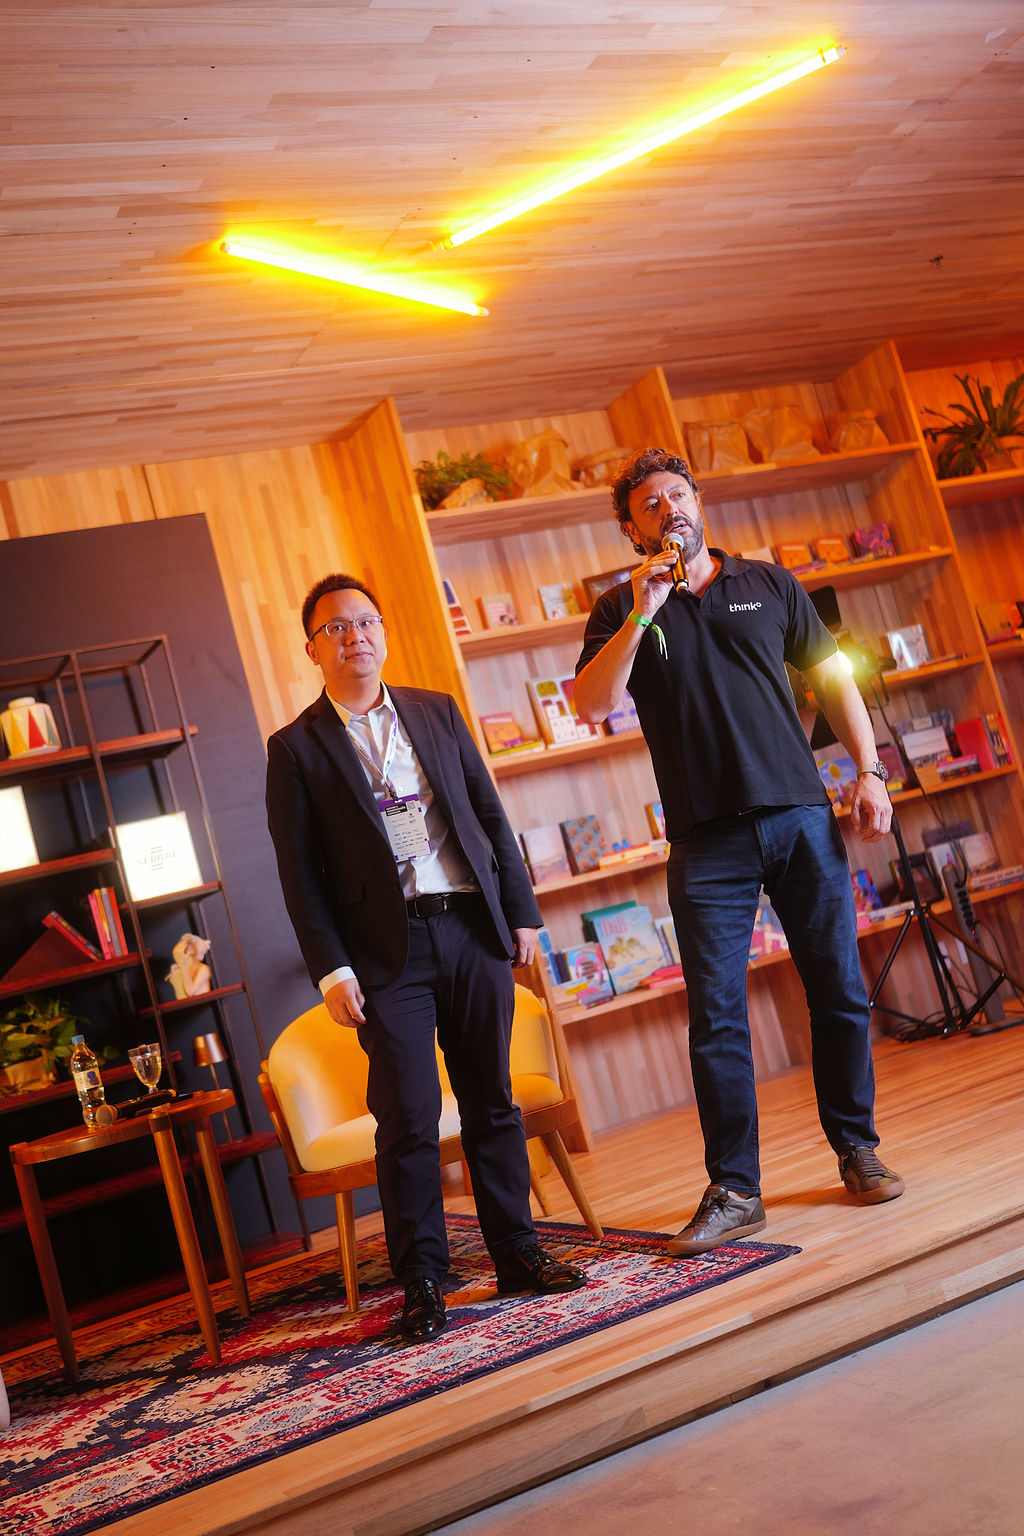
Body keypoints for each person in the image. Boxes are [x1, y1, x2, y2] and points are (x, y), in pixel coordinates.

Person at [574, 448, 904, 1255]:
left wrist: (868, 771)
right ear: (632, 530)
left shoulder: (768, 583)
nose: (669, 510)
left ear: (699, 502)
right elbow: (592, 703)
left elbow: (833, 678)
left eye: (678, 495)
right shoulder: (619, 608)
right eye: (651, 505)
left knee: (838, 991)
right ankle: (735, 1190)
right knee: (716, 1016)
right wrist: (644, 611)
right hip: (705, 841)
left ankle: (857, 1149)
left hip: (800, 816)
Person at [266, 573, 585, 1341]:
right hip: (386, 955)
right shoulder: (297, 748)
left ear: (383, 631)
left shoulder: (436, 711)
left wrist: (521, 913)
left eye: (366, 622)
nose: (355, 636)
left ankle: (516, 1252)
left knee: (491, 1100)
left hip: (470, 927)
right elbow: (300, 874)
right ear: (312, 648)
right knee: (407, 1117)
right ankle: (423, 1281)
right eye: (336, 627)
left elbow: (488, 816)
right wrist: (333, 969)